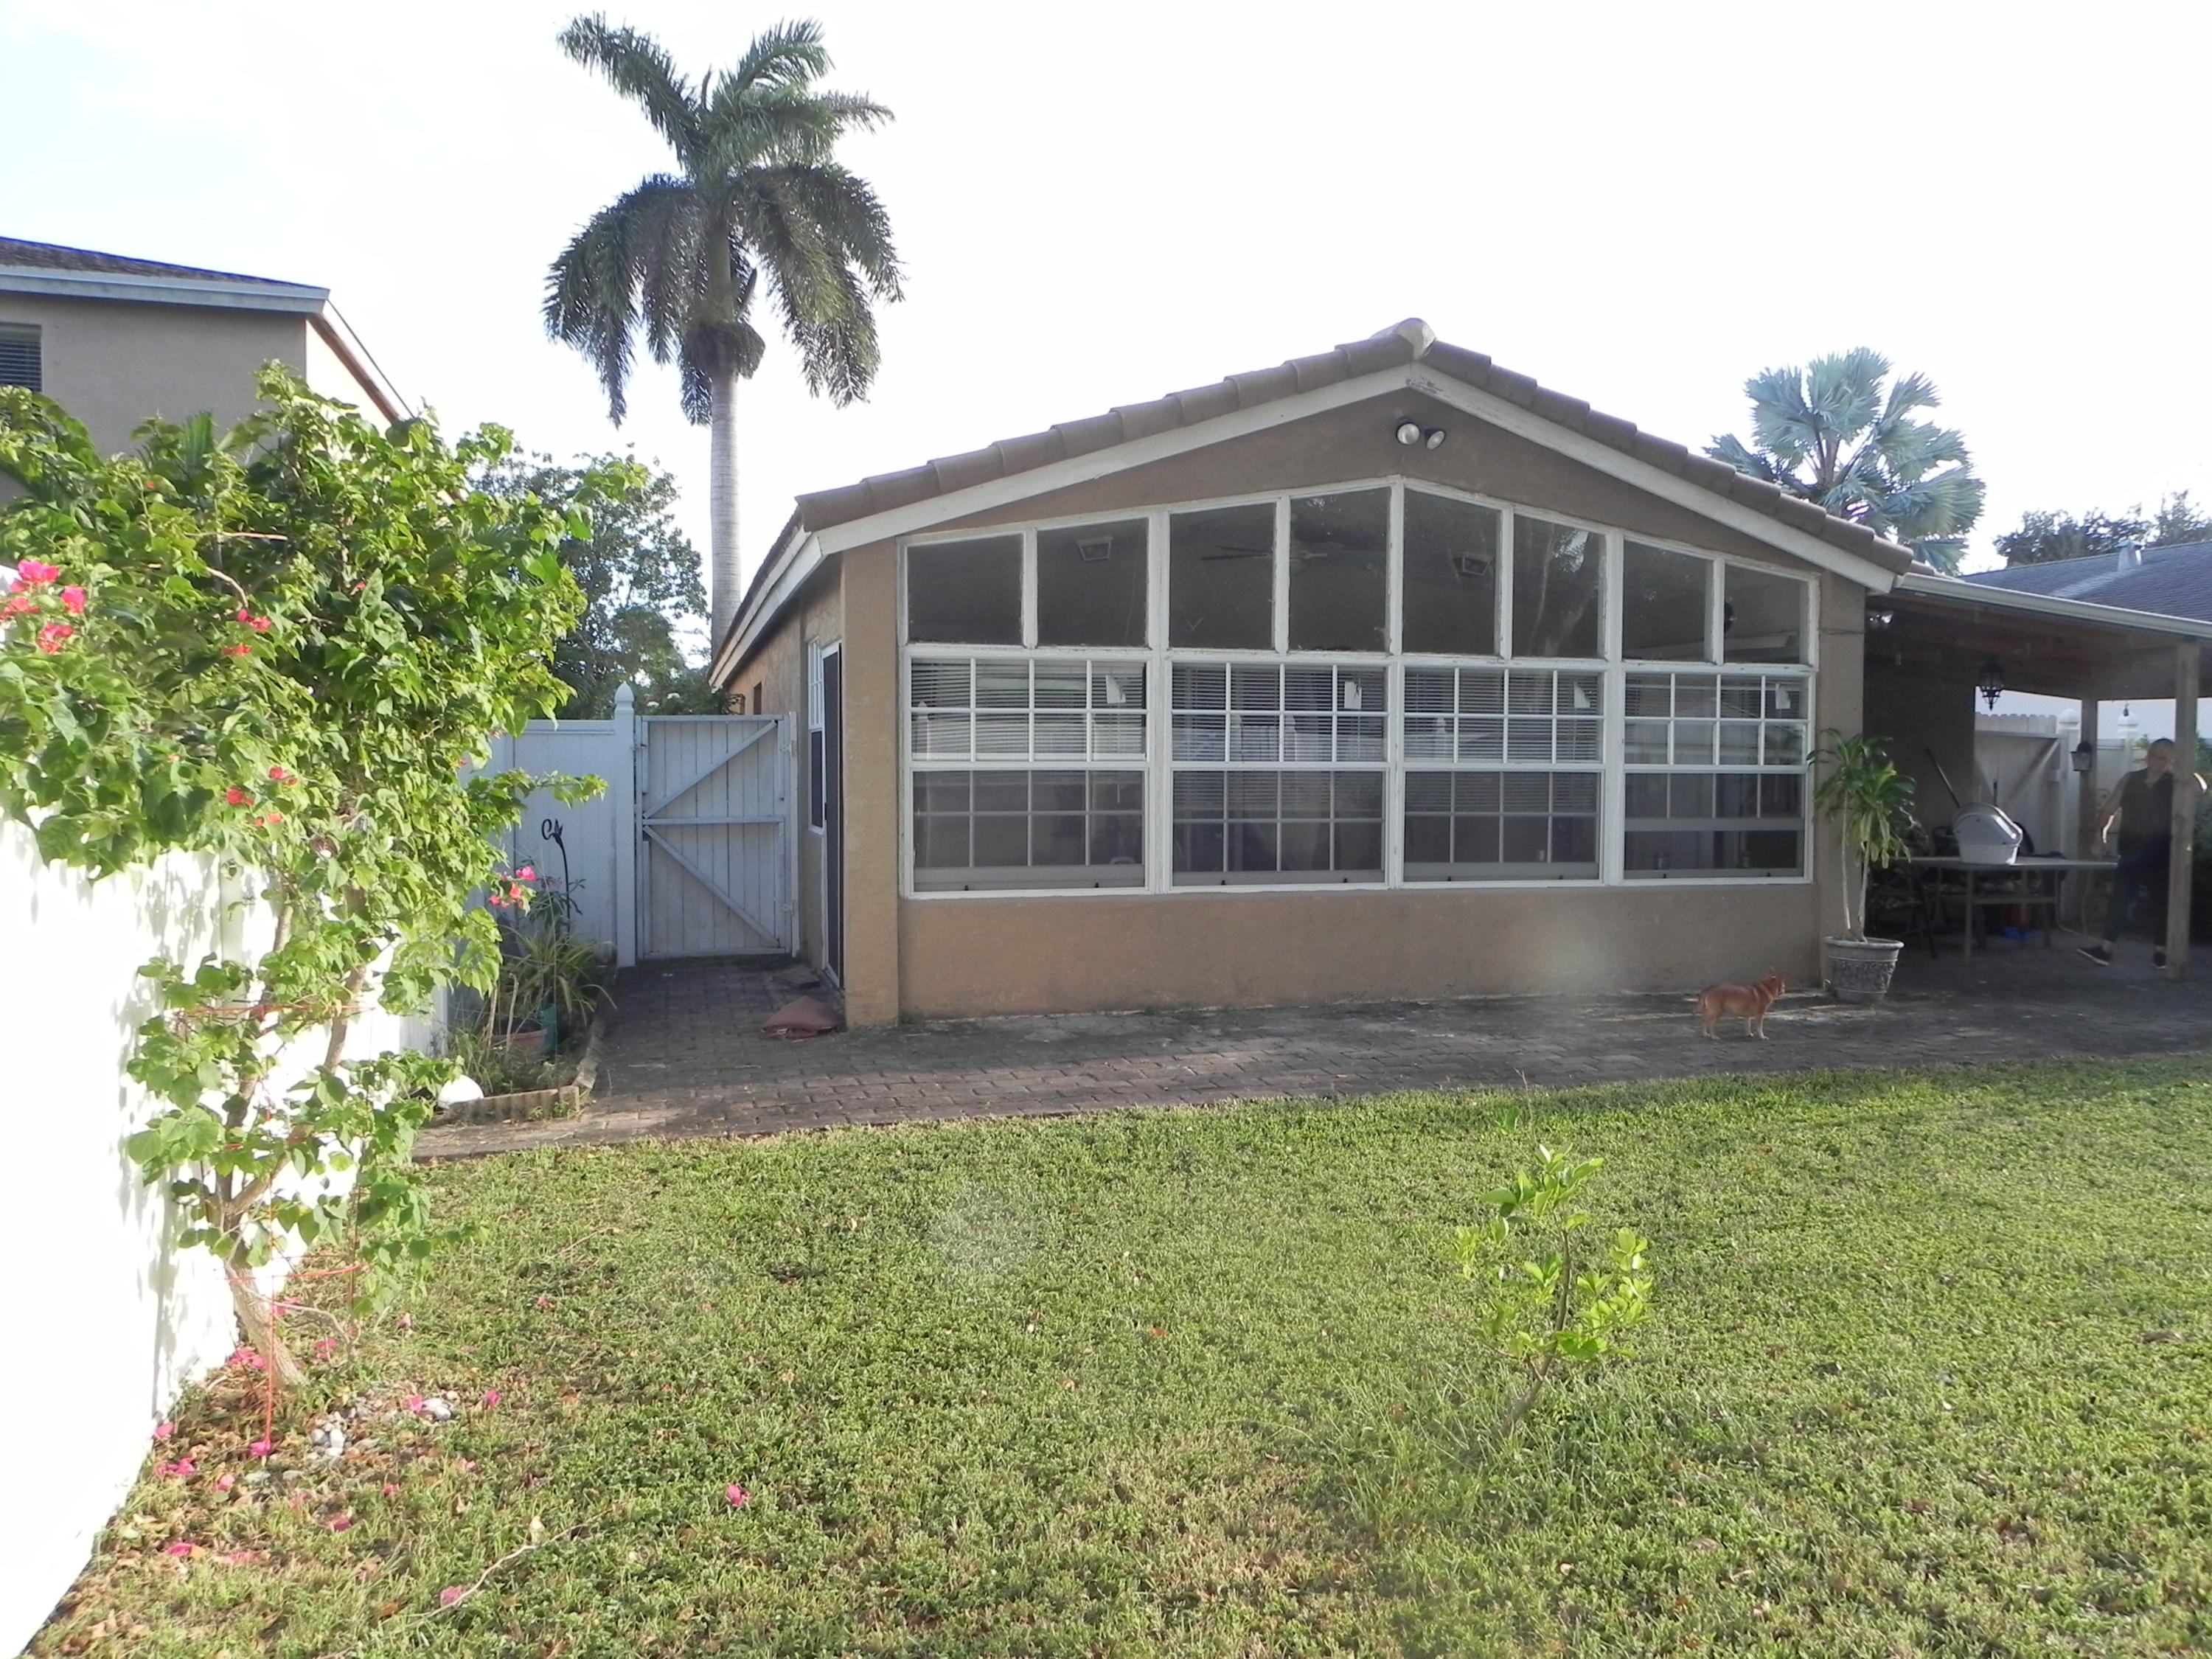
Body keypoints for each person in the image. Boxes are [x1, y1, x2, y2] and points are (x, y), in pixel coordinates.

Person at [2079, 737, 2207, 967]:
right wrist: (2100, 834)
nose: (2156, 760)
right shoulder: (2131, 779)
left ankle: (2162, 952)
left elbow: (2201, 788)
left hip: (2163, 849)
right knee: (2121, 898)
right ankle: (2106, 949)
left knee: (2163, 901)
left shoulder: (2175, 782)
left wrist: (2181, 768)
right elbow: (2109, 810)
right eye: (2153, 755)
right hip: (2132, 848)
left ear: (2170, 760)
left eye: (2163, 757)